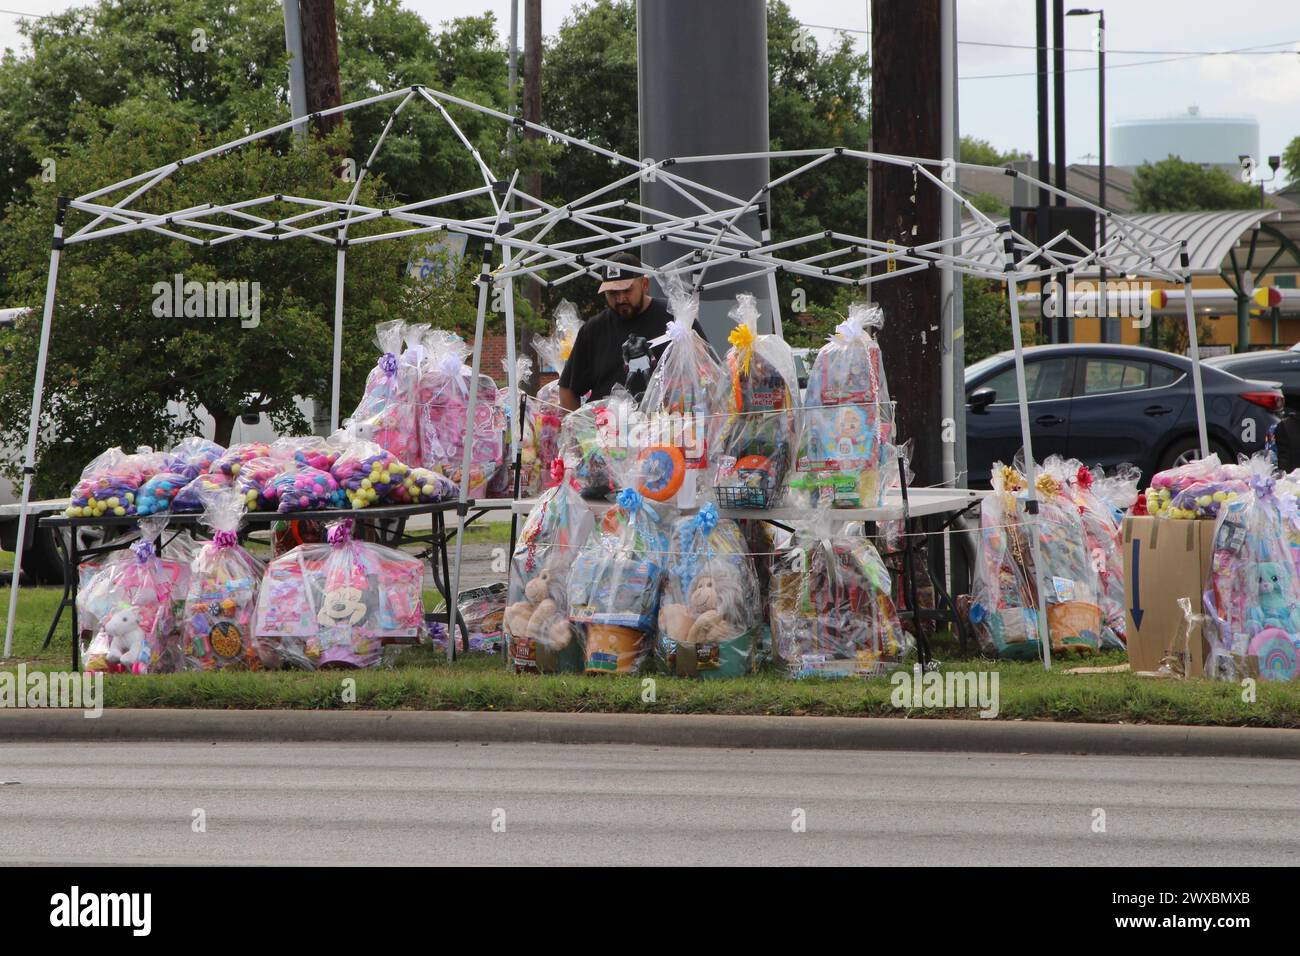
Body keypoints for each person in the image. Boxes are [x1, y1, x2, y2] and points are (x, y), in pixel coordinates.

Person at [556, 253, 699, 410]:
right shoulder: (593, 330)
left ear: (644, 284)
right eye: (612, 293)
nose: (620, 299)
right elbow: (568, 389)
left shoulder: (676, 318)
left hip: (669, 428)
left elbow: (705, 373)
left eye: (627, 290)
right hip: (607, 430)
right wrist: (578, 429)